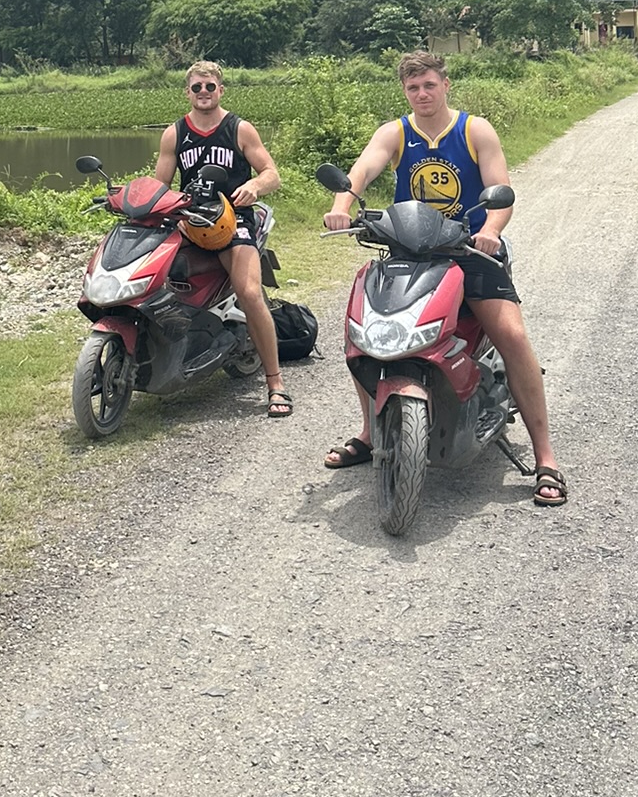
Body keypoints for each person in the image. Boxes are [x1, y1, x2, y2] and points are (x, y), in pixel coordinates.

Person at [320, 49, 567, 507]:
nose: (421, 94)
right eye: (413, 88)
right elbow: (364, 168)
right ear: (404, 91)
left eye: (429, 85)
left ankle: (546, 456)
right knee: (364, 331)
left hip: (469, 249)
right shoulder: (395, 132)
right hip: (407, 251)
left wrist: (490, 231)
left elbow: (500, 193)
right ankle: (370, 432)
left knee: (511, 334)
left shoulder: (475, 130)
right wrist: (342, 205)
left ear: (445, 84)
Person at [153, 59, 291, 417]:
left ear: (220, 90)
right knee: (154, 280)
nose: (203, 92)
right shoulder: (174, 134)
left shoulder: (239, 129)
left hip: (233, 220)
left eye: (209, 86)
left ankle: (275, 382)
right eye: (197, 87)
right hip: (188, 223)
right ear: (187, 92)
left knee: (248, 292)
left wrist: (254, 186)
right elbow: (159, 187)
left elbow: (272, 173)